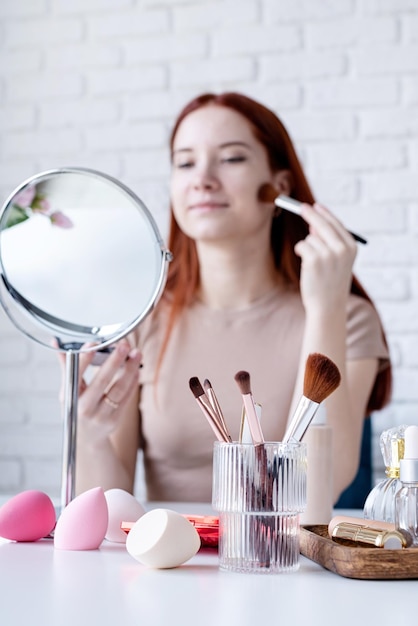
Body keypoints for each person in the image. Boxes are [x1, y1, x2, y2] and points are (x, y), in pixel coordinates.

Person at [60, 92, 392, 503]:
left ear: (279, 187)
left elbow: (320, 488)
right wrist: (88, 435)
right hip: (168, 565)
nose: (202, 178)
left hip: (285, 563)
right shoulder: (141, 321)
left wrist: (326, 307)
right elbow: (110, 509)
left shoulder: (348, 318)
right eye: (185, 162)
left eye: (232, 158)